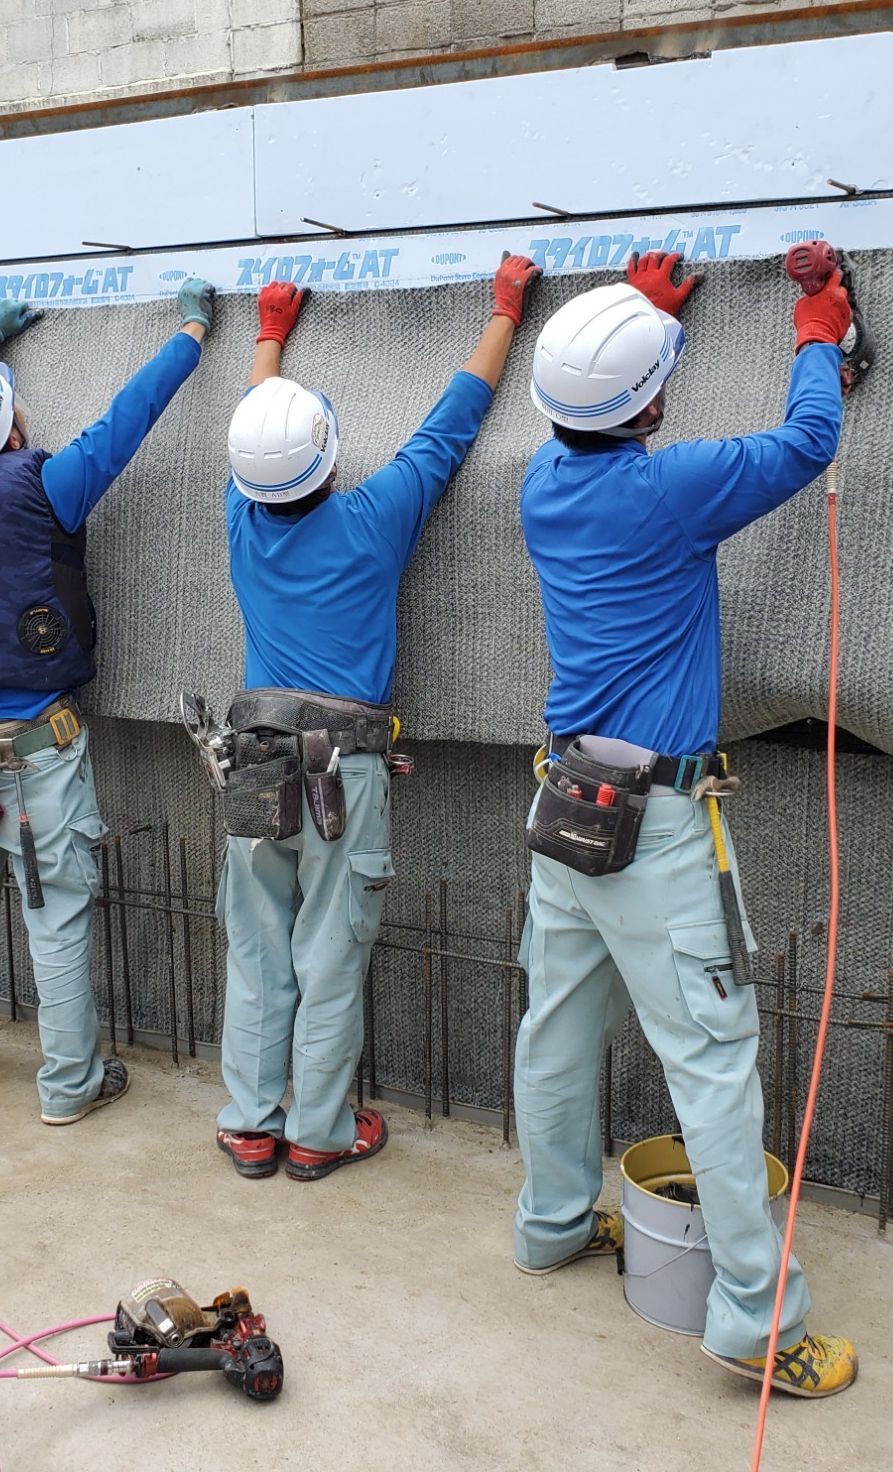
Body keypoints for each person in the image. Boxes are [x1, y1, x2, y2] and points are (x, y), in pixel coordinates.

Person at [512, 252, 859, 1396]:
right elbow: (807, 444)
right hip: (654, 829)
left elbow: (608, 407)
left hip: (564, 808)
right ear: (650, 403)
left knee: (556, 1032)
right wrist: (818, 330)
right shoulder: (670, 490)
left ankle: (553, 1223)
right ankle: (756, 1325)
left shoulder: (542, 486)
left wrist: (640, 315)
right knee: (711, 1063)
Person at [212, 255, 541, 1181]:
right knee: (327, 954)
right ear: (326, 456)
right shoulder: (372, 519)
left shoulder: (242, 519)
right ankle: (318, 1132)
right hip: (340, 770)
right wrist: (505, 311)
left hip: (254, 756)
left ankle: (249, 1123)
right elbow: (451, 425)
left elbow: (256, 425)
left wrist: (270, 327)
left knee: (256, 948)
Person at [0, 282, 215, 1125]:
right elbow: (129, 418)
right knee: (55, 913)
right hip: (34, 752)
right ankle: (71, 1085)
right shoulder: (49, 489)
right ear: (8, 423)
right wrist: (191, 331)